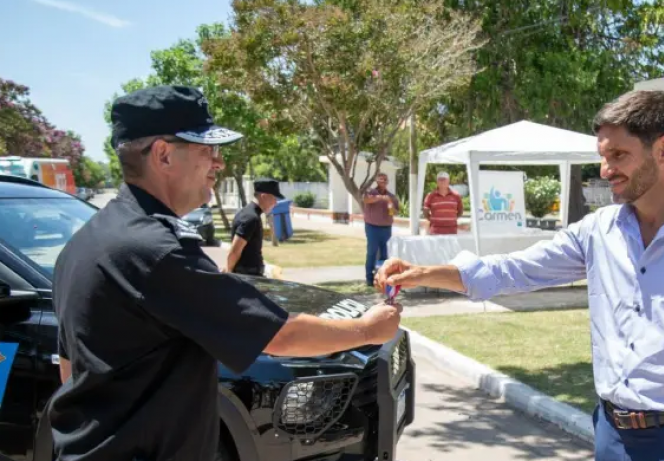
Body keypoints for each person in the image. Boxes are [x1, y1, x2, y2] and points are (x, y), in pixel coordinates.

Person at [375, 90, 664, 461]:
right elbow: (514, 271)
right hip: (611, 434)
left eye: (619, 155)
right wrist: (423, 273)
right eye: (603, 157)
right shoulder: (599, 230)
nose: (605, 170)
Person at [48, 85, 402, 461]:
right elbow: (280, 335)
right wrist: (368, 329)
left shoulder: (87, 241)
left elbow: (71, 370)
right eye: (208, 151)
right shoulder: (154, 249)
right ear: (163, 154)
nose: (218, 163)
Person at [225, 177, 284, 276]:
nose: (275, 203)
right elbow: (235, 251)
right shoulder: (251, 217)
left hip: (250, 275)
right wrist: (228, 272)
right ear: (264, 196)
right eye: (274, 198)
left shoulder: (249, 213)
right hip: (247, 277)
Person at [362, 172, 399, 286]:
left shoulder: (392, 196)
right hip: (372, 228)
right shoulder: (371, 193)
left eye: (385, 180)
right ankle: (369, 279)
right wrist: (383, 198)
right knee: (372, 252)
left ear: (387, 182)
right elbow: (367, 200)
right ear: (377, 181)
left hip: (386, 228)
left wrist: (390, 205)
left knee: (385, 254)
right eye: (381, 179)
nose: (383, 181)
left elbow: (395, 212)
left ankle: (382, 278)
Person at [423, 171, 463, 235]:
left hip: (452, 231)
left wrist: (452, 220)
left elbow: (460, 211)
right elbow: (425, 213)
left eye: (444, 179)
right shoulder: (430, 196)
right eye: (440, 180)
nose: (442, 182)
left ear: (448, 181)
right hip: (435, 232)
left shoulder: (456, 196)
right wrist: (434, 220)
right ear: (437, 182)